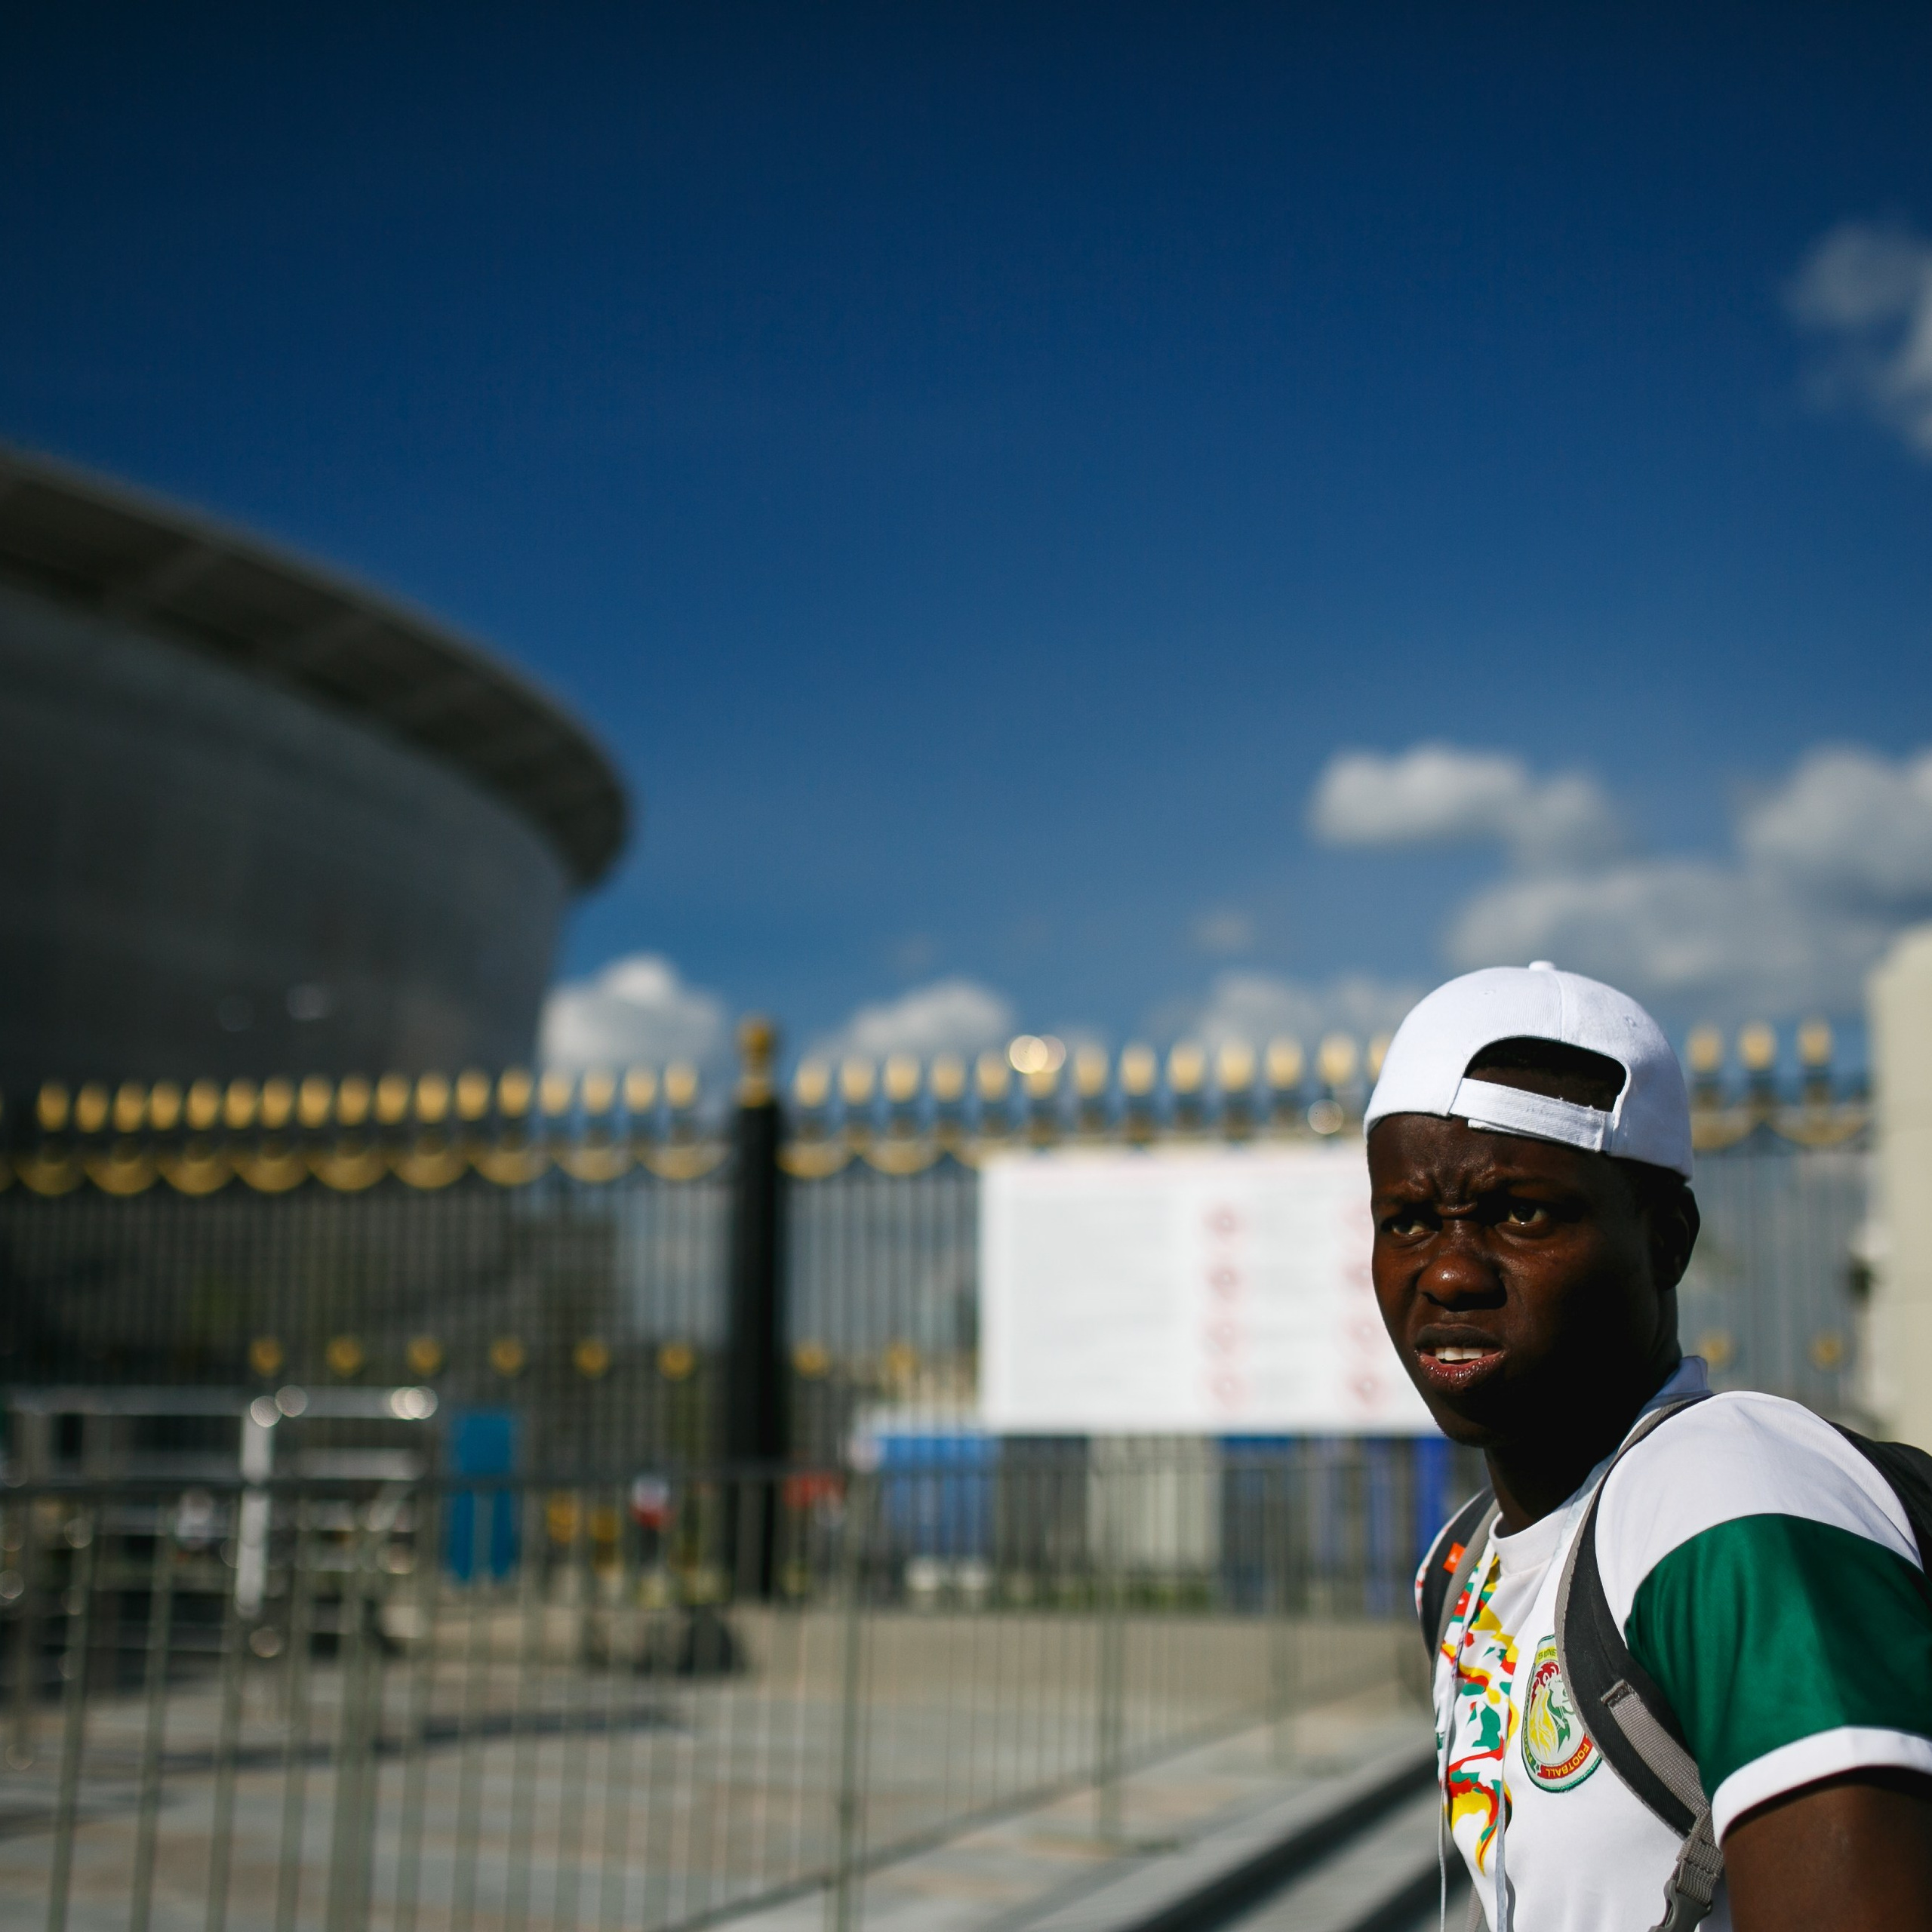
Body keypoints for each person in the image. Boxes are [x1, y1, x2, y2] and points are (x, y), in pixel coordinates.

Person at [1366, 963, 1932, 1932]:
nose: (1450, 1270)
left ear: (1666, 1238)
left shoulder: (1725, 1499)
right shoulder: (1459, 1567)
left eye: (1521, 1212)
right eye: (1409, 1221)